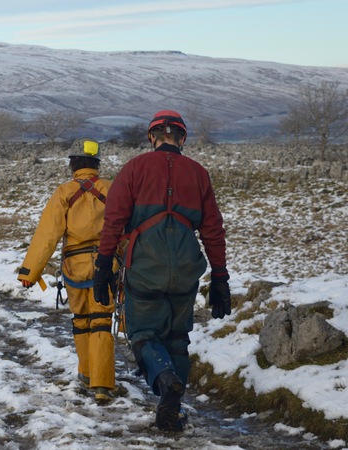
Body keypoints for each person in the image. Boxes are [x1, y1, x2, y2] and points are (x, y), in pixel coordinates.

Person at [92, 110, 232, 432]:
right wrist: (220, 277)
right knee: (177, 338)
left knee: (143, 334)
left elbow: (113, 221)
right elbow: (213, 230)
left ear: (152, 137)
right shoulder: (199, 173)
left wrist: (102, 266)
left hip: (145, 264)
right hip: (186, 266)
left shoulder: (134, 169)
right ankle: (172, 408)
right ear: (182, 138)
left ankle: (165, 380)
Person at [17, 138, 118, 405]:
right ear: (97, 163)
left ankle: (86, 374)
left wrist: (30, 272)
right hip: (107, 266)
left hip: (74, 268)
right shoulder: (112, 189)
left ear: (72, 163)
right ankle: (102, 384)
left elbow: (47, 235)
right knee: (101, 321)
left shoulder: (63, 192)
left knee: (81, 320)